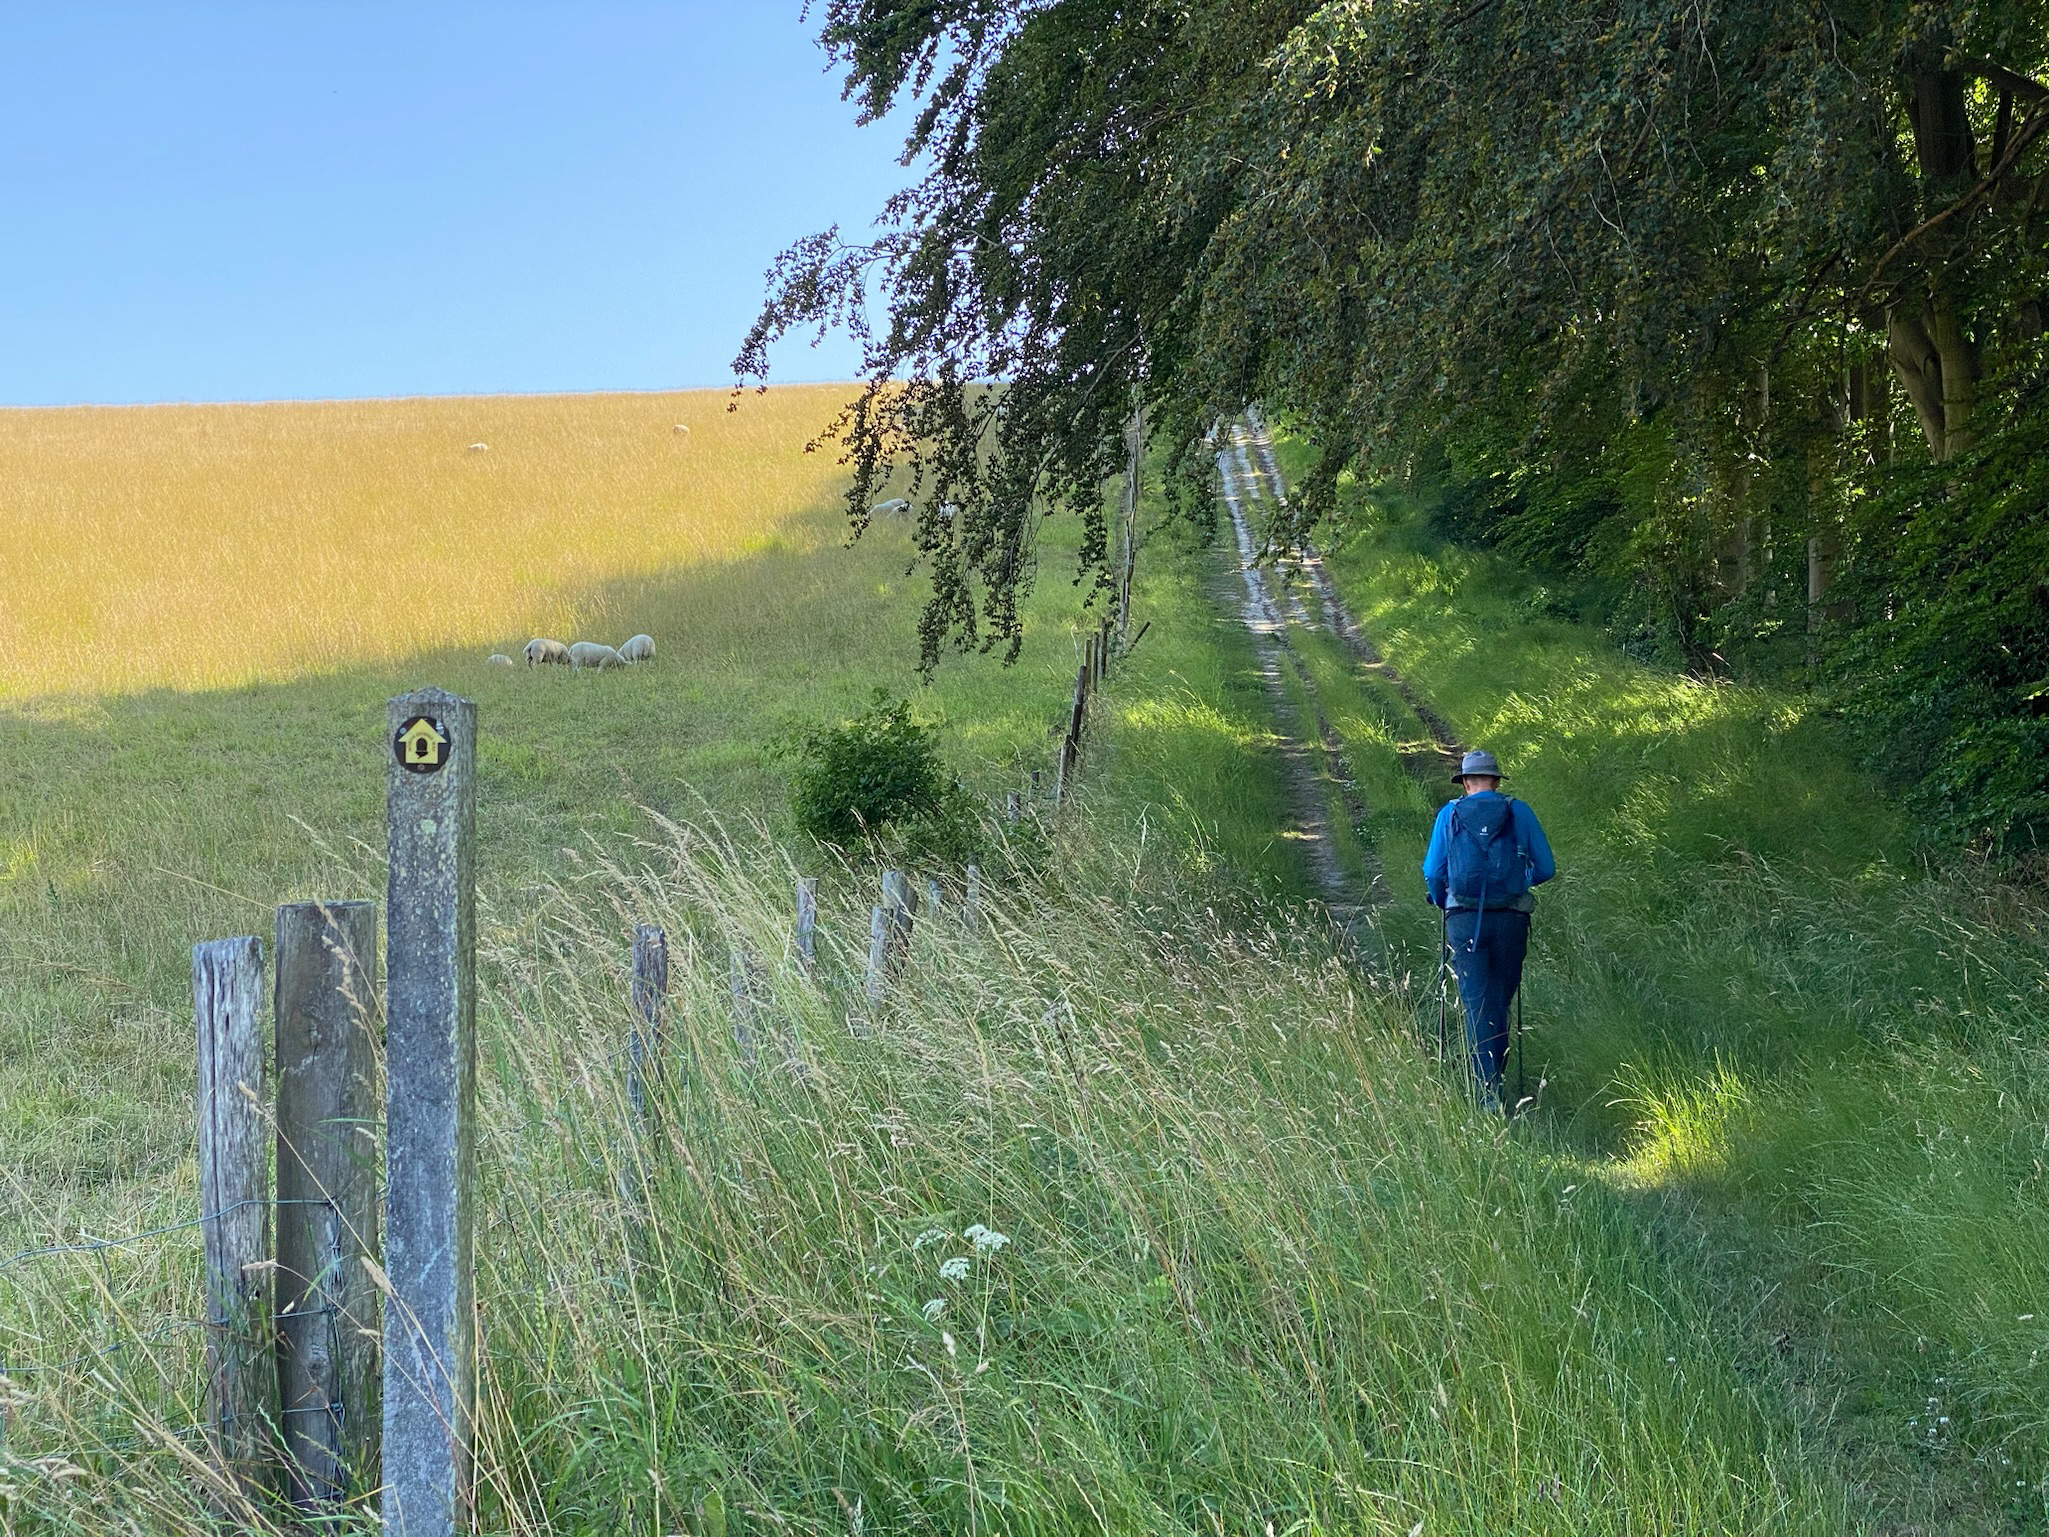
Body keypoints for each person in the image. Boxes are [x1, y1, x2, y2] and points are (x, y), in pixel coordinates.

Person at [1422, 749, 1557, 1110]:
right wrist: (1518, 882)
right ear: (1496, 782)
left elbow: (1433, 872)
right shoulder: (1518, 811)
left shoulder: (1449, 814)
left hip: (1464, 919)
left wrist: (1442, 900)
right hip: (1511, 918)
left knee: (1476, 1002)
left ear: (1466, 783)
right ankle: (1494, 1077)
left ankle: (1488, 1092)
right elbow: (1546, 867)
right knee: (1500, 999)